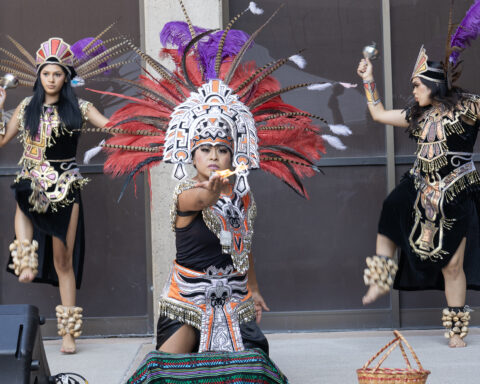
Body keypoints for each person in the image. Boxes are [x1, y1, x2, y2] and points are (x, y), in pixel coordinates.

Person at [90, 3, 353, 381]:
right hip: (188, 302)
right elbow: (202, 200)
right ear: (191, 155)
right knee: (163, 373)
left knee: (252, 371)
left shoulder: (243, 198)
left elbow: (243, 248)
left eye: (222, 149)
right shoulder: (186, 195)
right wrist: (213, 192)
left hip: (235, 301)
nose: (214, 156)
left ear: (235, 152)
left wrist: (255, 290)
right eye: (205, 150)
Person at [0, 34, 124, 353]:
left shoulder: (80, 108)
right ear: (39, 75)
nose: (51, 79)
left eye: (57, 74)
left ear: (66, 77)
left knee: (63, 260)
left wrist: (136, 126)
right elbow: (1, 141)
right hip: (33, 178)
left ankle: (68, 333)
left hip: (65, 184)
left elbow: (111, 126)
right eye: (46, 73)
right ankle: (25, 261)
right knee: (25, 190)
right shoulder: (26, 106)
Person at [357, 35, 480, 347]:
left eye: (416, 85)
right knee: (390, 210)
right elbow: (378, 114)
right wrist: (368, 79)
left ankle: (455, 331)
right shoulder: (417, 115)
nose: (412, 92)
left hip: (456, 191)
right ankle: (380, 279)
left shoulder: (469, 108)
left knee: (453, 264)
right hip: (419, 185)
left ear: (433, 84)